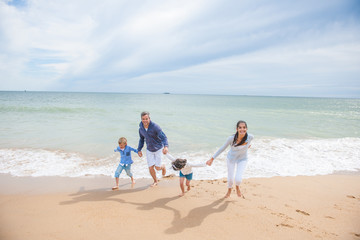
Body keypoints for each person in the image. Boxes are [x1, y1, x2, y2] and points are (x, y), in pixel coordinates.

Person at [207, 120, 254, 198]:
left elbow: (248, 143)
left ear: (247, 128)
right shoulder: (231, 139)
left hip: (242, 159)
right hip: (231, 159)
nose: (242, 129)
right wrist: (212, 158)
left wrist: (247, 147)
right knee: (231, 179)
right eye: (240, 127)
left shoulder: (250, 137)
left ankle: (237, 187)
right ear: (237, 129)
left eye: (244, 127)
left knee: (238, 179)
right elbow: (222, 148)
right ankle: (229, 191)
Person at [137, 111, 168, 187]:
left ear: (149, 118)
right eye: (143, 119)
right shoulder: (141, 129)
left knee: (157, 168)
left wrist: (166, 146)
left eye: (146, 119)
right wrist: (139, 149)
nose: (145, 121)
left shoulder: (155, 127)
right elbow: (141, 139)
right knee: (150, 167)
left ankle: (163, 166)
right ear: (141, 119)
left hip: (158, 149)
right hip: (149, 150)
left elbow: (164, 137)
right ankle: (155, 181)